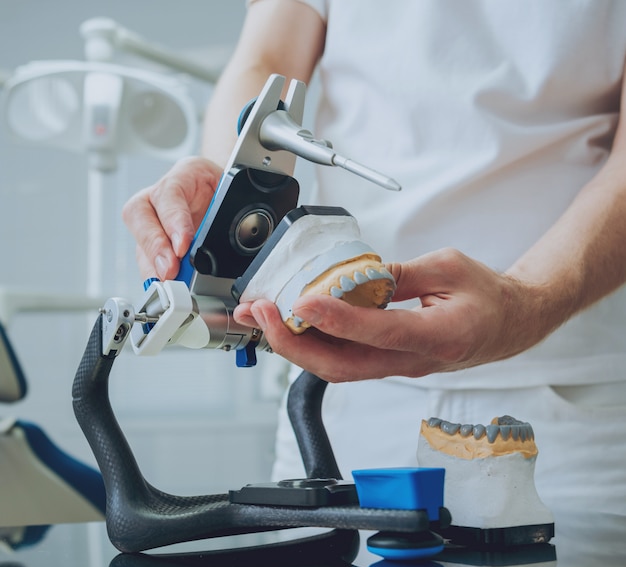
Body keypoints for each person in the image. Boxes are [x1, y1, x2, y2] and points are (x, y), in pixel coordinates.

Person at [123, 0, 626, 517]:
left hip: (574, 405)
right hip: (344, 404)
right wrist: (228, 182)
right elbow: (267, 57)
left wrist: (531, 302)